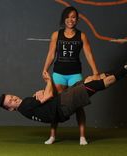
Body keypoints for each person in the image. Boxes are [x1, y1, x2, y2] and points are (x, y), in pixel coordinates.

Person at [0, 54, 127, 144]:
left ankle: (124, 73)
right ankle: (126, 71)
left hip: (62, 103)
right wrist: (48, 82)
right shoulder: (25, 105)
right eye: (10, 102)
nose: (14, 99)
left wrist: (42, 93)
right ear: (11, 109)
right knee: (96, 85)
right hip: (63, 104)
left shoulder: (26, 107)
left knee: (89, 79)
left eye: (12, 97)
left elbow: (45, 100)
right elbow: (48, 96)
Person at [42, 6, 100, 145]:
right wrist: (45, 69)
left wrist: (95, 72)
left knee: (78, 105)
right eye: (68, 17)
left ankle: (82, 137)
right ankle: (52, 136)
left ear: (77, 19)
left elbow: (88, 54)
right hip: (58, 74)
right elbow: (51, 53)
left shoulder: (82, 36)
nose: (70, 20)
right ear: (64, 19)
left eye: (73, 17)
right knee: (55, 104)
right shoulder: (56, 35)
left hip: (75, 74)